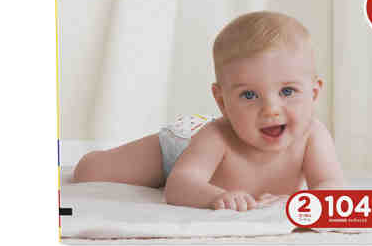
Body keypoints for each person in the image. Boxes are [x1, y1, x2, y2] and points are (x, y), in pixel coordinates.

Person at [73, 11, 345, 211]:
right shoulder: (217, 136)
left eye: (287, 91)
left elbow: (330, 185)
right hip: (182, 148)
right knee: (89, 171)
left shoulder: (313, 135)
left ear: (314, 93)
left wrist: (305, 200)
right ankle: (92, 154)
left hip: (203, 158)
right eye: (249, 95)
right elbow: (179, 185)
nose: (271, 110)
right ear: (222, 101)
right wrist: (215, 197)